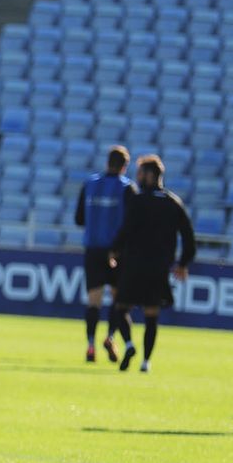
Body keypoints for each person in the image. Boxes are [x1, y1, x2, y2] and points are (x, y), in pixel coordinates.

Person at [108, 154, 194, 374]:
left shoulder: (137, 200)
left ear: (150, 175)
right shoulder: (173, 202)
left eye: (140, 173)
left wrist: (114, 251)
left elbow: (125, 230)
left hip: (134, 265)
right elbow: (188, 236)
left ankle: (129, 344)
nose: (137, 178)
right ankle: (146, 362)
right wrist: (183, 262)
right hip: (158, 268)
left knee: (121, 307)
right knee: (152, 314)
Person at [75, 145, 134, 363]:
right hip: (117, 252)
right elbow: (132, 222)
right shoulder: (127, 188)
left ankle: (90, 345)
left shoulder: (89, 184)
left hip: (93, 249)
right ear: (125, 166)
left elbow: (79, 219)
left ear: (107, 161)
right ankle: (110, 338)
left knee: (94, 300)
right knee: (118, 300)